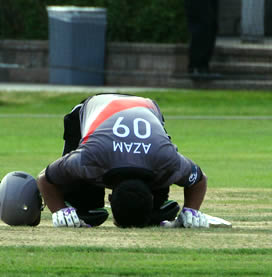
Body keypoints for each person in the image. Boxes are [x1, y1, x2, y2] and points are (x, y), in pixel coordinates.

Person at [37, 93, 209, 228]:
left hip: (146, 111)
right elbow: (45, 178)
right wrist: (61, 209)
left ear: (110, 199)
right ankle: (156, 205)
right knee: (84, 210)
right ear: (110, 200)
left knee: (136, 209)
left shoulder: (168, 161)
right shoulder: (89, 158)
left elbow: (199, 179)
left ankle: (155, 205)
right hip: (93, 107)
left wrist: (190, 212)